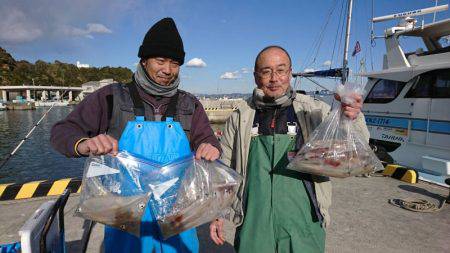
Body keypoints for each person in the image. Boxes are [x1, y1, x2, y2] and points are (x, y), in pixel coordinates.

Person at [51, 17, 220, 253]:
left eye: (174, 63)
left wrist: (211, 146)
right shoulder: (110, 97)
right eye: (160, 60)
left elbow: (208, 140)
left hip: (179, 221)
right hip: (126, 223)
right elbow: (62, 132)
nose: (167, 70)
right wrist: (84, 144)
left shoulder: (190, 104)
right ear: (144, 60)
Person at [209, 45, 369, 253]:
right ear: (256, 77)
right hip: (254, 222)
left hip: (304, 222)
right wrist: (217, 212)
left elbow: (355, 151)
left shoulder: (313, 110)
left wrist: (351, 118)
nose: (274, 78)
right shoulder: (241, 115)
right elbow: (224, 169)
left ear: (290, 73)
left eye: (281, 70)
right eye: (266, 72)